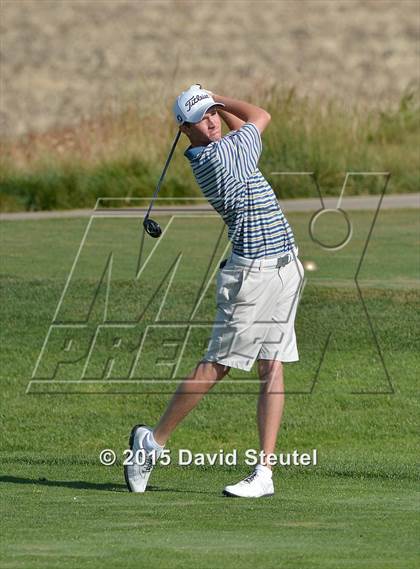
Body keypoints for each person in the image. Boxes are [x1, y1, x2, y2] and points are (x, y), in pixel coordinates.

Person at [124, 85, 304, 498]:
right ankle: (152, 443)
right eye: (203, 117)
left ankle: (264, 473)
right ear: (185, 130)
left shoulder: (230, 147)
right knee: (217, 365)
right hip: (251, 276)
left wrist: (216, 109)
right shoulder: (218, 158)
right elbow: (260, 115)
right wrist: (221, 98)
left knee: (271, 365)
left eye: (214, 114)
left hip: (285, 266)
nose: (212, 121)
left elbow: (246, 131)